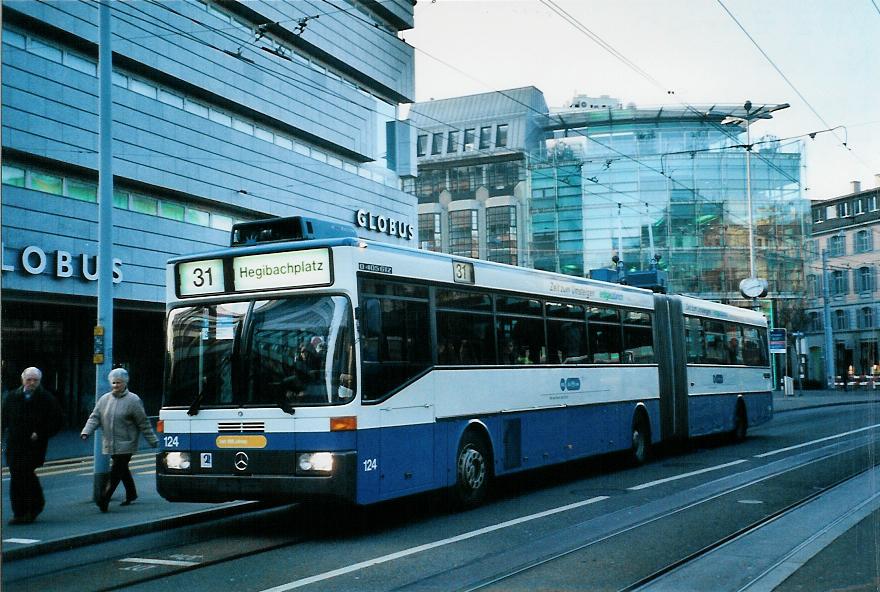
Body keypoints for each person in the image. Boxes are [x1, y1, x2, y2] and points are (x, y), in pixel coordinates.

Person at [80, 368, 158, 512]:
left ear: (125, 383)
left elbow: (143, 422)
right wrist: (86, 432)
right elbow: (95, 417)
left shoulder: (133, 400)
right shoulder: (104, 400)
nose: (116, 385)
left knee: (116, 471)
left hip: (127, 443)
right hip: (111, 442)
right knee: (122, 469)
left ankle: (104, 498)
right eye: (114, 383)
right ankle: (132, 494)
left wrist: (152, 440)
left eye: (119, 383)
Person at [2, 367, 63, 524]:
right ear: (22, 380)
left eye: (35, 380)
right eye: (29, 379)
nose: (32, 383)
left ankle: (31, 508)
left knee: (25, 474)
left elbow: (57, 422)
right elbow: (3, 418)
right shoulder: (11, 397)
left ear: (39, 381)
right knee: (17, 476)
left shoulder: (47, 399)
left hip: (34, 445)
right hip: (15, 444)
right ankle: (20, 512)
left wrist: (41, 433)